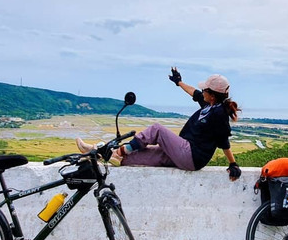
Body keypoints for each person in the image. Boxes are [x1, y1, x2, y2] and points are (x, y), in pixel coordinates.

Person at [76, 67, 242, 181]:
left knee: (157, 130)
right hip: (182, 152)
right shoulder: (209, 105)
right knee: (139, 155)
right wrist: (179, 82)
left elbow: (223, 141)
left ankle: (121, 150)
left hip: (191, 155)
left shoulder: (219, 114)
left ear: (212, 95)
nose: (202, 91)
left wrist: (233, 163)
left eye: (205, 89)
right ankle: (96, 152)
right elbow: (195, 93)